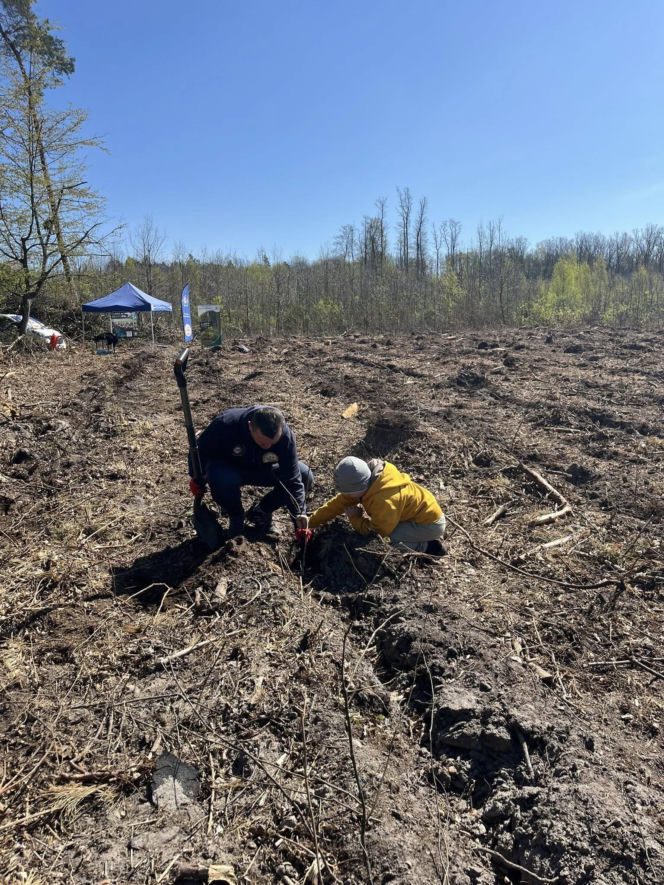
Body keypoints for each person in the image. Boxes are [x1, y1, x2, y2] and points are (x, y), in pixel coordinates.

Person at [190, 405, 313, 537]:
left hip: (266, 469)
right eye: (263, 443)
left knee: (304, 476)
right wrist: (196, 476)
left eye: (272, 443)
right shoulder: (225, 424)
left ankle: (261, 510)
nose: (268, 447)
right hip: (231, 469)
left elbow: (292, 479)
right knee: (218, 477)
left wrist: (299, 516)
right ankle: (236, 517)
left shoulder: (285, 437)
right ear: (250, 426)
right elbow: (200, 451)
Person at [297, 456, 445, 555]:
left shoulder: (384, 501)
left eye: (348, 493)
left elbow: (377, 533)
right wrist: (311, 521)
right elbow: (339, 503)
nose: (346, 496)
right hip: (412, 516)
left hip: (429, 524)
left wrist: (356, 519)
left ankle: (427, 547)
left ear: (358, 489)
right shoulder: (370, 480)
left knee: (387, 542)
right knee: (388, 531)